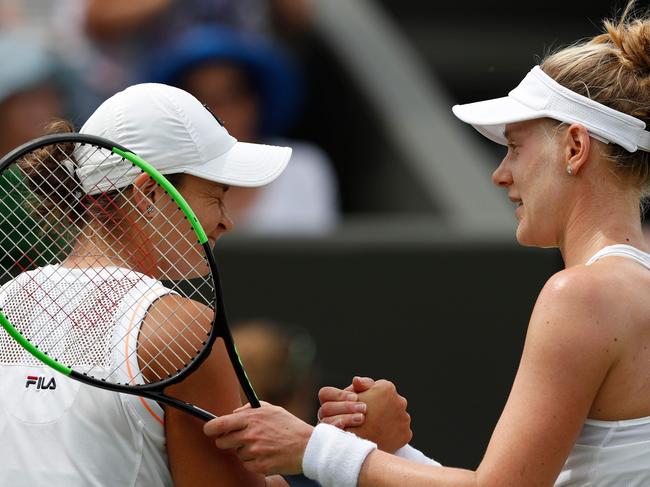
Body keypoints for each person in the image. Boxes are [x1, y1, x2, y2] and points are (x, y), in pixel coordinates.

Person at [202, 3, 650, 486]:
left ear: (575, 148)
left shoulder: (582, 296)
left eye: (515, 147)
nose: (500, 174)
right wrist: (396, 453)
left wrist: (313, 448)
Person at [0, 83, 293, 486]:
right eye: (217, 196)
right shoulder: (186, 331)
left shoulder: (5, 304)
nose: (227, 221)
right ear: (150, 194)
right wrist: (356, 456)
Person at [145, 25, 340, 235]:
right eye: (203, 102)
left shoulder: (305, 168)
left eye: (230, 97)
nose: (218, 114)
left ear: (255, 102)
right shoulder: (163, 180)